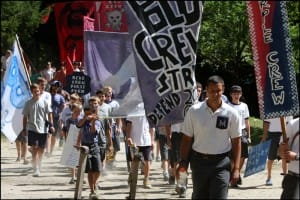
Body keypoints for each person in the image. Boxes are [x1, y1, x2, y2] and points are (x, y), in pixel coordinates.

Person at [179, 75, 241, 199]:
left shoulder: (232, 113)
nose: (215, 94)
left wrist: (236, 168)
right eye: (212, 91)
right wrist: (183, 163)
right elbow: (187, 139)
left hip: (222, 163)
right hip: (199, 163)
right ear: (206, 90)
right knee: (200, 196)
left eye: (218, 91)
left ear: (223, 89)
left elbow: (236, 141)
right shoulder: (194, 111)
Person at [22, 83, 54, 177]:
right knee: (35, 148)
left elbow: (49, 114)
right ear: (32, 92)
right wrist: (24, 128)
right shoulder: (28, 103)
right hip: (32, 128)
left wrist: (51, 125)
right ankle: (36, 168)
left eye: (38, 91)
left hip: (43, 128)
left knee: (41, 149)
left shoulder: (45, 102)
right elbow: (24, 117)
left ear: (40, 91)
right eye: (35, 91)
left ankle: (39, 164)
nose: (37, 93)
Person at [76, 106, 103, 199]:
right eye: (86, 113)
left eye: (89, 113)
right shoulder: (81, 119)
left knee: (98, 169)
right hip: (85, 146)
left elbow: (93, 132)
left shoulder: (97, 121)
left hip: (94, 145)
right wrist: (85, 119)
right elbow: (78, 125)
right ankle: (92, 190)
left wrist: (93, 121)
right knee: (90, 170)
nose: (88, 115)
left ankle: (94, 184)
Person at [126, 109, 155, 189]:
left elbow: (152, 127)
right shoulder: (132, 111)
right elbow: (128, 126)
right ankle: (132, 177)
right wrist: (128, 137)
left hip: (146, 141)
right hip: (134, 141)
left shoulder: (150, 111)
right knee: (134, 161)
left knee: (147, 161)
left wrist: (152, 140)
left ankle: (146, 179)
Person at [228, 85, 251, 187]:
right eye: (234, 93)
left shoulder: (244, 106)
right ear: (231, 94)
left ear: (241, 94)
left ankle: (236, 173)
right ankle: (232, 174)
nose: (236, 95)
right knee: (232, 156)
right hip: (230, 132)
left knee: (243, 155)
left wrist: (249, 135)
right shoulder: (227, 105)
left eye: (238, 93)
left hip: (242, 132)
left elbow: (247, 122)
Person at [261, 116, 293, 186]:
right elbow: (266, 122)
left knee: (285, 156)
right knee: (271, 157)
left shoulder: (287, 109)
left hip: (284, 133)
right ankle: (269, 177)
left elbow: (289, 123)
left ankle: (285, 178)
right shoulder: (271, 109)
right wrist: (264, 137)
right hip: (272, 134)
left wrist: (288, 135)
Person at [61, 103, 82, 184]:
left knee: (79, 160)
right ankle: (73, 177)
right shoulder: (68, 120)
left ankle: (79, 176)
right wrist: (66, 141)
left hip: (79, 141)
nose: (78, 113)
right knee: (71, 160)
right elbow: (65, 130)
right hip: (70, 141)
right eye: (76, 111)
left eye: (79, 111)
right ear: (73, 110)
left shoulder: (81, 119)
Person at [279, 117, 299, 199]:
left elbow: (294, 156)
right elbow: (280, 153)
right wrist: (282, 150)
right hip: (292, 178)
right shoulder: (292, 124)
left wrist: (296, 156)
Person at [103, 86, 122, 166]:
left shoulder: (115, 104)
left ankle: (112, 159)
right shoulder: (102, 104)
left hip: (114, 126)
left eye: (110, 92)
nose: (108, 93)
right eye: (107, 92)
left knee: (116, 145)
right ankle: (108, 162)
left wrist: (119, 127)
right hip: (105, 127)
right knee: (107, 145)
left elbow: (118, 117)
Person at [47, 81, 65, 155]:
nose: (56, 88)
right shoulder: (47, 95)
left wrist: (61, 113)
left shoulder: (60, 97)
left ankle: (51, 151)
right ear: (52, 86)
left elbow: (63, 105)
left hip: (56, 117)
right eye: (54, 86)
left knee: (54, 135)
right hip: (47, 116)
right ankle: (47, 150)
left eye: (57, 86)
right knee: (48, 134)